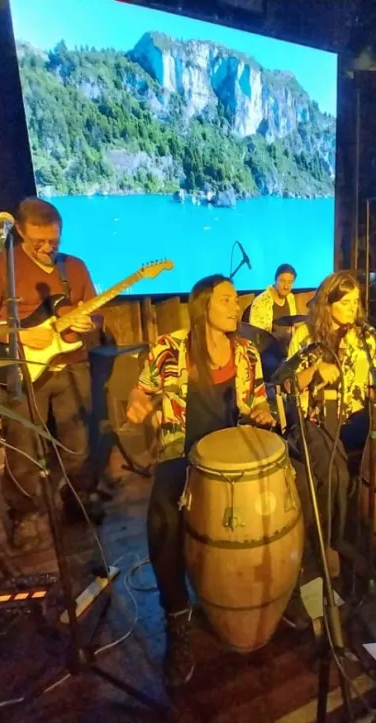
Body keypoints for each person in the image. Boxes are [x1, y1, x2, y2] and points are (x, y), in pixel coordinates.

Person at [125, 275, 276, 688]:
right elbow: (141, 393)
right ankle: (176, 616)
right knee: (162, 522)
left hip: (228, 455)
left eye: (237, 301)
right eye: (226, 300)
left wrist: (261, 412)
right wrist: (138, 405)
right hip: (180, 453)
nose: (236, 307)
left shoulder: (246, 353)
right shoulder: (169, 349)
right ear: (203, 305)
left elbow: (258, 399)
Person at [0, 197, 111, 551]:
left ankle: (76, 501)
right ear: (21, 233)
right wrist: (16, 332)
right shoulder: (1, 268)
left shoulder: (74, 268)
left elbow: (96, 315)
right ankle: (25, 514)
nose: (46, 248)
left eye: (53, 242)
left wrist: (90, 323)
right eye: (37, 241)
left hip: (71, 366)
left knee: (78, 443)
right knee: (23, 448)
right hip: (22, 369)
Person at [285, 271, 376, 572]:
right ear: (328, 303)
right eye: (346, 302)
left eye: (356, 302)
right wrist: (313, 372)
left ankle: (374, 531)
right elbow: (287, 385)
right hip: (314, 418)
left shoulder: (364, 337)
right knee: (336, 474)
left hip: (354, 415)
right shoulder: (305, 336)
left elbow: (372, 383)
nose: (353, 308)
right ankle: (328, 542)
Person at [247, 263, 299, 379]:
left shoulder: (290, 298)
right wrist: (278, 335)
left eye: (290, 282)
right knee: (278, 368)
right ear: (275, 280)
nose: (286, 286)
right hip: (266, 351)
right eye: (282, 281)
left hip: (286, 349)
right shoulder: (261, 301)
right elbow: (256, 337)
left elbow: (292, 325)